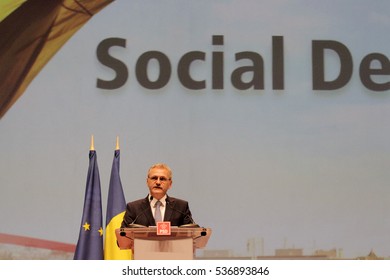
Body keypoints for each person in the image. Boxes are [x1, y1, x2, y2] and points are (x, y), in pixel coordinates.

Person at [121, 163, 197, 228]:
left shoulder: (181, 207)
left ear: (170, 184)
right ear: (147, 182)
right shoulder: (134, 208)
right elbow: (122, 236)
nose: (158, 182)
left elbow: (193, 234)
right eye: (154, 178)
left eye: (162, 179)